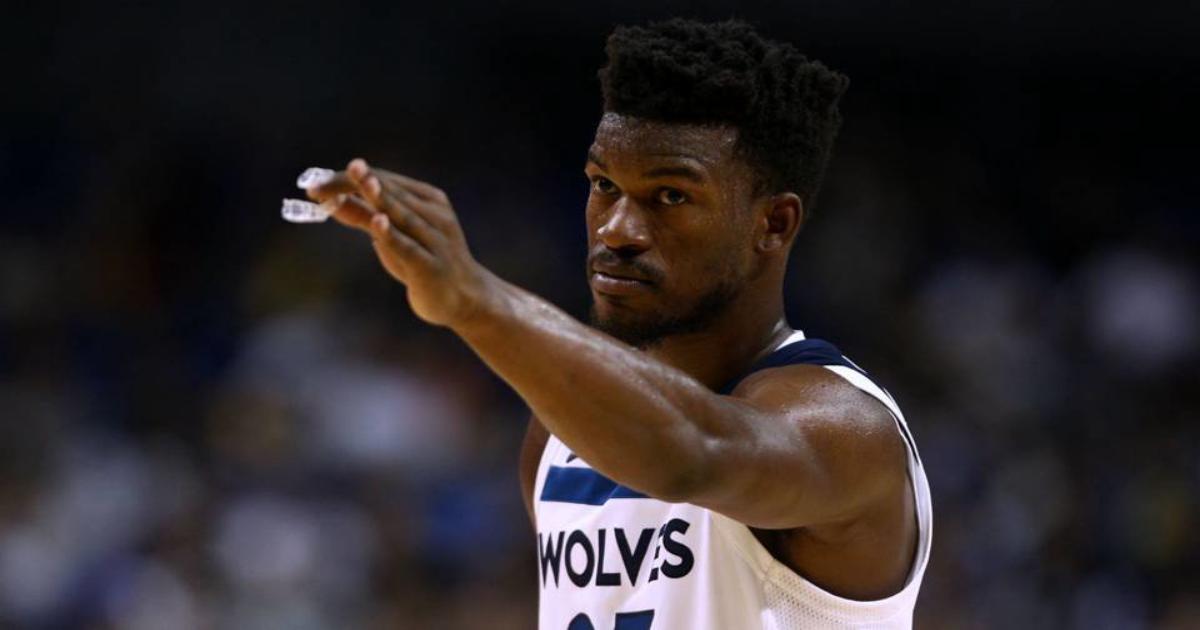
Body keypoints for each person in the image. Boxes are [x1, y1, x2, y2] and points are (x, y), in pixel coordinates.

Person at [305, 17, 931, 630]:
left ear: (774, 224)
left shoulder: (845, 431)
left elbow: (689, 457)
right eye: (604, 184)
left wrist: (474, 301)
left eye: (671, 196)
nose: (617, 229)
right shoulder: (561, 431)